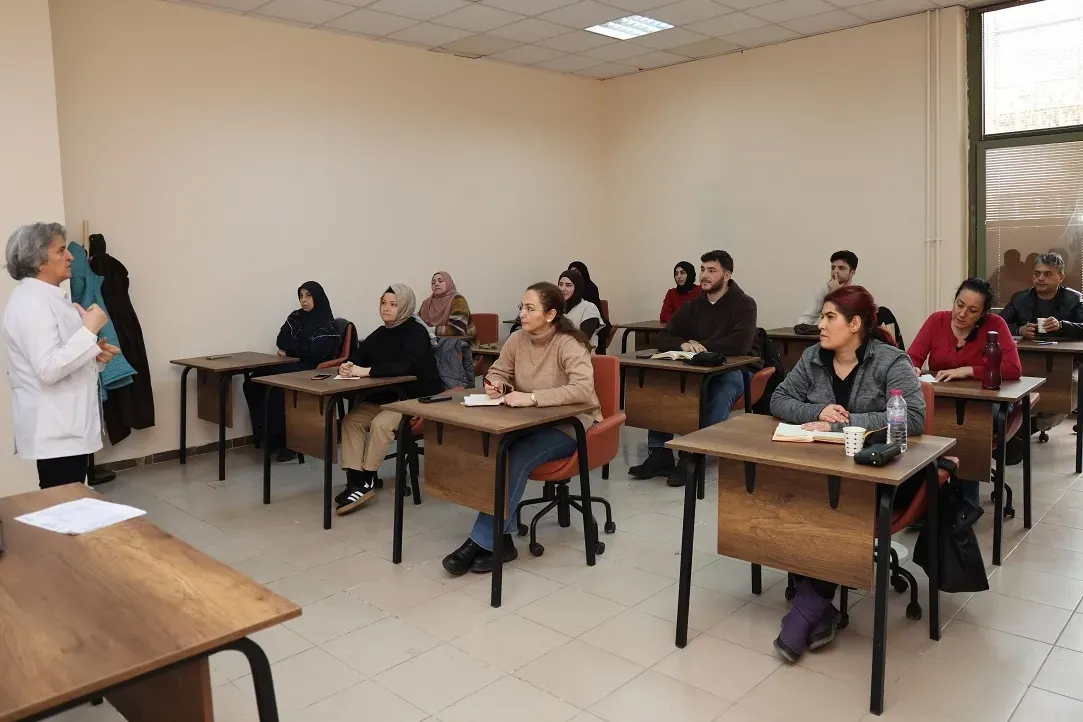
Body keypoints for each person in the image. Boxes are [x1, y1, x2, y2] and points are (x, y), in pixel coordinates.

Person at [770, 285, 926, 663]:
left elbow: (914, 417)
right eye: (822, 317)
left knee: (836, 509)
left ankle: (806, 611)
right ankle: (819, 606)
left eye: (829, 318)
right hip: (821, 469)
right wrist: (817, 412)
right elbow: (778, 399)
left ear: (855, 324)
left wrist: (843, 423)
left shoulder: (890, 361)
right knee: (789, 497)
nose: (820, 325)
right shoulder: (813, 358)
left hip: (876, 474)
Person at [442, 282, 601, 575]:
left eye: (530, 308)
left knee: (515, 456)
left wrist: (532, 397)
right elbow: (498, 371)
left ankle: (481, 541)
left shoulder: (569, 343)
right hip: (527, 420)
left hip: (568, 426)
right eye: (521, 307)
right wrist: (497, 384)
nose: (522, 314)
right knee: (492, 451)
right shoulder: (517, 339)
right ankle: (502, 541)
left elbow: (582, 389)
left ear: (550, 315)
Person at [629, 250, 760, 487]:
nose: (704, 275)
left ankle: (693, 455)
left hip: (737, 370)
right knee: (662, 383)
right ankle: (659, 453)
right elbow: (664, 336)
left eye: (711, 270)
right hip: (698, 369)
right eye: (702, 269)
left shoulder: (744, 304)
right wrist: (683, 344)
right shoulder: (693, 306)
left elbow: (740, 344)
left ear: (727, 275)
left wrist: (701, 347)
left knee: (722, 388)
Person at [3, 223, 120, 488]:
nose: (70, 257)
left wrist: (93, 353)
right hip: (55, 430)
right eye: (61, 251)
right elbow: (49, 368)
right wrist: (89, 330)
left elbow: (61, 354)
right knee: (64, 503)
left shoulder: (48, 298)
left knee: (71, 500)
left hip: (67, 427)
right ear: (38, 260)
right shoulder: (31, 303)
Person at [334, 284, 442, 515]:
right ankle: (356, 481)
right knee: (351, 421)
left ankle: (367, 480)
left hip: (415, 400)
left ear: (405, 307)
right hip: (387, 398)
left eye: (393, 304)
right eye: (383, 303)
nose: (386, 308)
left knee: (381, 424)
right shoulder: (381, 333)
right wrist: (347, 366)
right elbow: (358, 356)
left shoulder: (416, 333)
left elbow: (406, 366)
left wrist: (367, 371)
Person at [243, 282, 341, 462]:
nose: (304, 300)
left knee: (277, 387)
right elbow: (281, 340)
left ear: (318, 297)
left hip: (312, 368)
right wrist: (298, 349)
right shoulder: (296, 316)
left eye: (308, 295)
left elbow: (317, 352)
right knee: (253, 382)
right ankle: (266, 436)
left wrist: (290, 351)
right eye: (301, 296)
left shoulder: (327, 323)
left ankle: (287, 444)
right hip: (292, 363)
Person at [908, 277, 1022, 384]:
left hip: (982, 395)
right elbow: (912, 358)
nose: (962, 314)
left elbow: (1013, 368)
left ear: (982, 313)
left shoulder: (995, 324)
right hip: (939, 393)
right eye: (960, 305)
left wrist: (968, 371)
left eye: (972, 310)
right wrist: (912, 368)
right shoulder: (937, 320)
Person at [1000, 252, 1083, 340]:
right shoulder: (1019, 299)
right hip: (1028, 348)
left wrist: (1061, 325)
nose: (1040, 278)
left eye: (1047, 274)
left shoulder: (1075, 299)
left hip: (1064, 348)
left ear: (1061, 277)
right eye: (1037, 273)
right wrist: (1018, 330)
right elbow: (996, 325)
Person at [796, 251, 858, 326]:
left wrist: (835, 294)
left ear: (852, 273)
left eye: (841, 268)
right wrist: (802, 328)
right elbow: (806, 318)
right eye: (833, 268)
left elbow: (845, 323)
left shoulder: (858, 293)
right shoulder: (826, 289)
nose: (835, 271)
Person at [568, 261, 612, 351]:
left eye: (576, 271)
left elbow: (594, 308)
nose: (573, 274)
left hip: (591, 318)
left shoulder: (590, 288)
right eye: (571, 272)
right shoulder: (568, 290)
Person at [419, 271, 475, 337]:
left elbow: (457, 329)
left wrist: (432, 330)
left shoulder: (458, 300)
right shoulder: (426, 303)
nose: (436, 284)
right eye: (433, 283)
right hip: (432, 340)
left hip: (459, 340)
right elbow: (418, 321)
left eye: (440, 281)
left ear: (448, 283)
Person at [558, 268, 602, 348]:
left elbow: (583, 338)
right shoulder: (557, 307)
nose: (562, 289)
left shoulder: (589, 308)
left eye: (568, 285)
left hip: (582, 353)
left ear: (577, 287)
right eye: (560, 284)